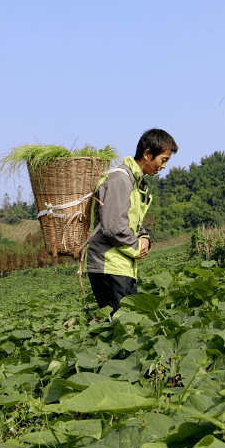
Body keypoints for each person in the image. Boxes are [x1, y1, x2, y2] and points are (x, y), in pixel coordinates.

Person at [84, 128, 177, 314]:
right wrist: (137, 248)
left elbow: (131, 222)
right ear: (148, 154)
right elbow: (113, 227)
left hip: (122, 266)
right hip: (108, 265)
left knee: (127, 325)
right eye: (163, 159)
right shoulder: (120, 179)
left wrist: (145, 239)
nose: (164, 166)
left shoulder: (135, 182)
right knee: (119, 329)